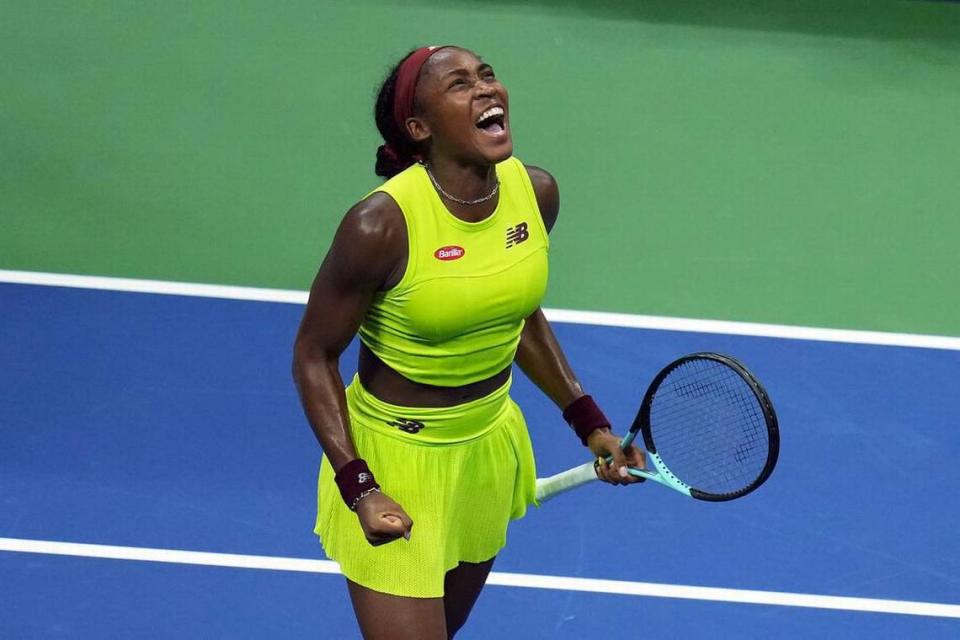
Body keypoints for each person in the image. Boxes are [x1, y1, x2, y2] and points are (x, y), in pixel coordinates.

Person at [292, 45, 646, 640]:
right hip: (394, 462)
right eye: (460, 85)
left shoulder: (535, 193)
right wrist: (359, 486)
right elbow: (313, 355)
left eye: (487, 76)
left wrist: (591, 423)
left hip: (485, 450)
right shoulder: (380, 225)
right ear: (419, 127)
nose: (486, 89)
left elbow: (518, 317)